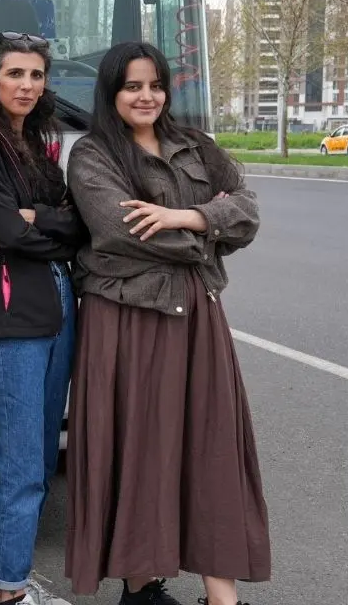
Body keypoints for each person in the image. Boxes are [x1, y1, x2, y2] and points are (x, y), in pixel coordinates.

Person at [63, 42, 269, 605]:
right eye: (132, 86)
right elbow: (119, 229)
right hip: (126, 317)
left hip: (197, 313)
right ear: (112, 91)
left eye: (154, 85)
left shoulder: (196, 145)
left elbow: (248, 211)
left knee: (211, 447)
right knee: (139, 448)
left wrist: (187, 216)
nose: (146, 96)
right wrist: (209, 236)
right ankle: (140, 587)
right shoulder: (92, 154)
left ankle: (221, 596)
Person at [0, 32, 87, 605]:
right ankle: (8, 592)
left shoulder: (39, 141)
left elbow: (78, 225)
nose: (27, 85)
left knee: (39, 455)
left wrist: (36, 220)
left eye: (36, 75)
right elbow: (7, 232)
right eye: (15, 74)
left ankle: (15, 579)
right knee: (21, 467)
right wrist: (38, 225)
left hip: (58, 308)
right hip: (12, 318)